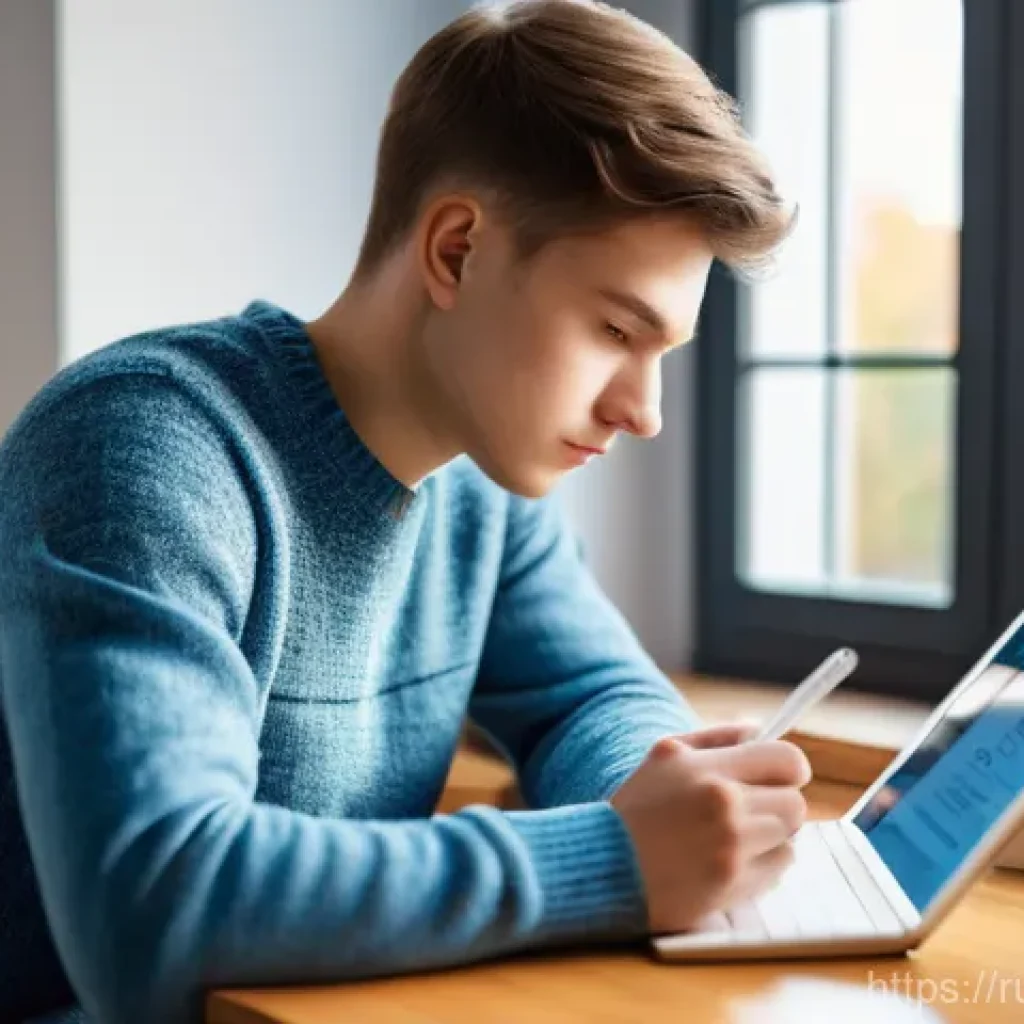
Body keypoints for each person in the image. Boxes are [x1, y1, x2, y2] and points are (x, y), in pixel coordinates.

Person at [0, 2, 809, 1022]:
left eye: (663, 355)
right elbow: (152, 909)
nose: (641, 411)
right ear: (457, 251)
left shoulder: (481, 486)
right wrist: (616, 856)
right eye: (615, 329)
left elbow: (589, 699)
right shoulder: (144, 448)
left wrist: (677, 803)